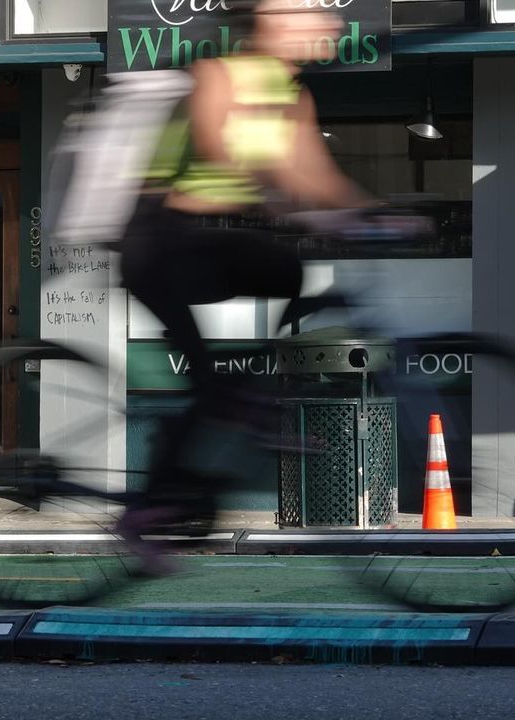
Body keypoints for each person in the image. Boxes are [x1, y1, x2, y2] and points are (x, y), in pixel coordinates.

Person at [114, 0, 378, 567]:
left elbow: (318, 176)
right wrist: (292, 202)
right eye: (309, 12)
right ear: (273, 24)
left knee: (287, 269)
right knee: (207, 385)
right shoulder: (217, 75)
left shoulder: (293, 96)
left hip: (212, 243)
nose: (326, 21)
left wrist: (378, 213)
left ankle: (253, 400)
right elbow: (218, 145)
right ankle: (141, 514)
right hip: (159, 242)